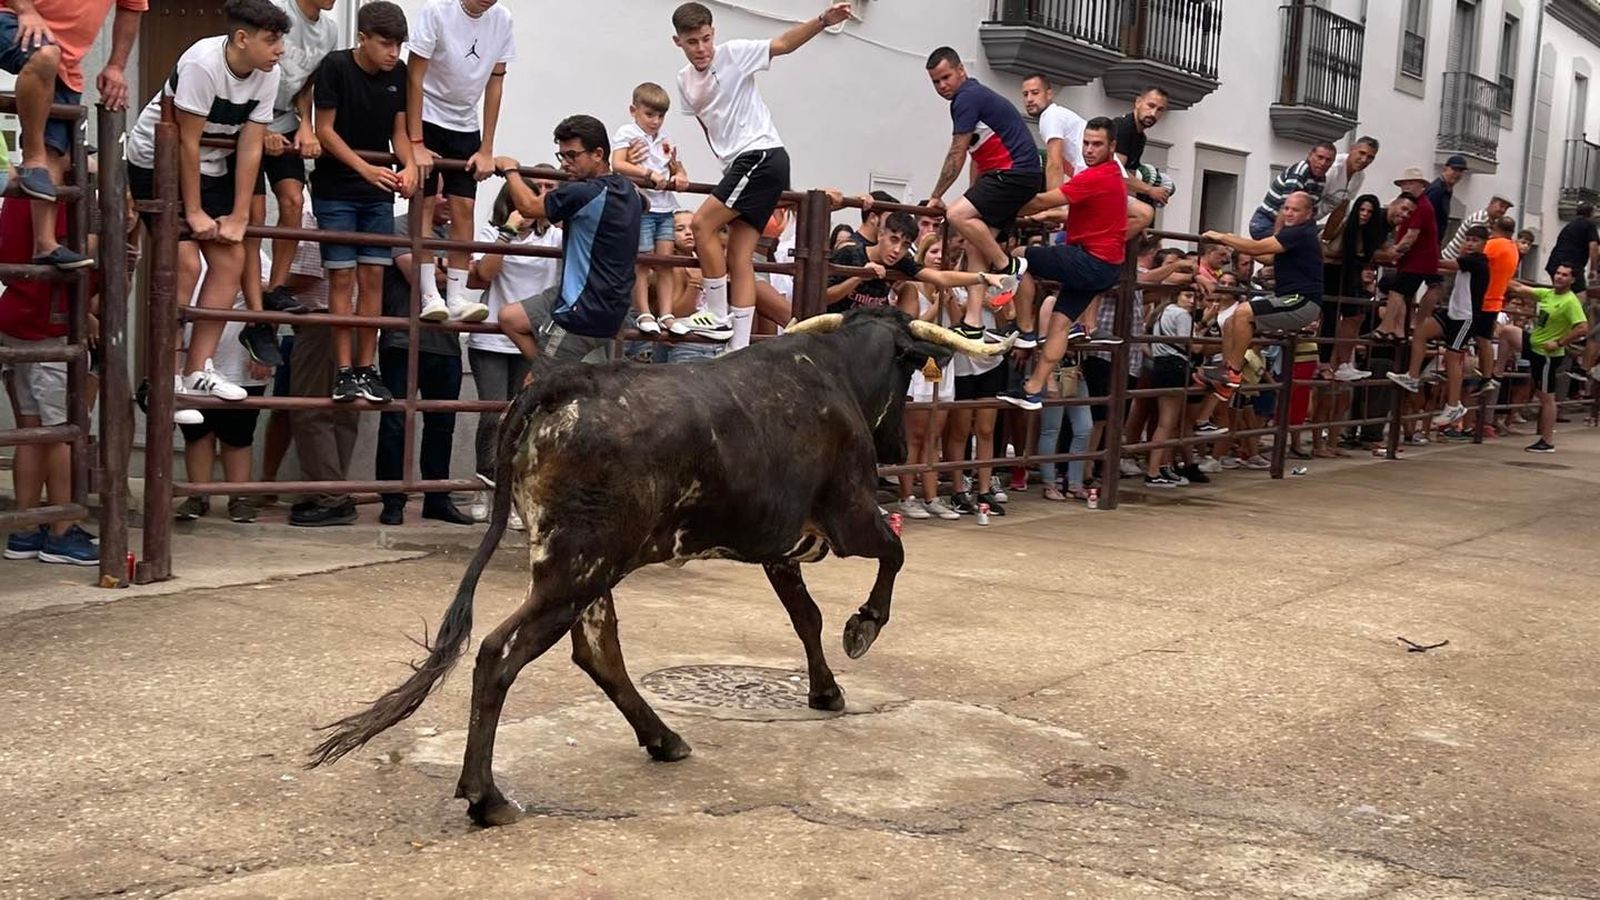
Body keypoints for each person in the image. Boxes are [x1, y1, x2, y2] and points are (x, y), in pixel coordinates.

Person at [124, 0, 286, 411]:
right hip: (156, 163)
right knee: (186, 264)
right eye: (271, 41)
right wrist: (193, 212)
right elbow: (186, 141)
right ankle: (167, 376)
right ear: (241, 38)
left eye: (281, 40)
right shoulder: (201, 62)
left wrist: (239, 214)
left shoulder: (269, 73)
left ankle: (198, 369)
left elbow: (251, 146)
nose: (279, 50)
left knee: (230, 262)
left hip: (212, 167)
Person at [670, 1, 851, 348]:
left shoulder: (734, 54)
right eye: (693, 42)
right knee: (739, 256)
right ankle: (737, 345)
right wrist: (725, 168)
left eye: (706, 39)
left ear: (714, 34)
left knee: (701, 225)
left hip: (761, 155)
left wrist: (824, 20)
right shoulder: (684, 82)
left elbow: (782, 44)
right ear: (678, 42)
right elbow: (709, 126)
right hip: (742, 165)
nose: (702, 48)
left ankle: (718, 316)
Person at [310, 0, 417, 404]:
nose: (393, 53)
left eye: (399, 45)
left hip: (377, 192)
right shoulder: (335, 66)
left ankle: (365, 368)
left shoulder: (400, 73)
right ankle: (343, 371)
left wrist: (408, 167)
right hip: (336, 189)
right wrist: (365, 169)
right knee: (342, 277)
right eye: (386, 44)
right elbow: (325, 130)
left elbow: (400, 132)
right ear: (363, 38)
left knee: (373, 277)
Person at [0, 0, 143, 271]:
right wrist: (26, 10)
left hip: (64, 59)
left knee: (56, 148)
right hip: (10, 18)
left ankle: (45, 244)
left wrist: (115, 66)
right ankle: (33, 159)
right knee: (43, 55)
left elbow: (132, 8)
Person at [997, 116, 1127, 409]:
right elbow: (1075, 213)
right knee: (1059, 323)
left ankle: (1025, 328)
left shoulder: (1095, 176)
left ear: (1112, 146)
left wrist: (999, 205)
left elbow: (1046, 200)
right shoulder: (1113, 177)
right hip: (1105, 268)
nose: (1089, 150)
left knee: (1019, 257)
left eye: (1097, 144)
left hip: (1090, 260)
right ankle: (1033, 389)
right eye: (1086, 143)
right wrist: (1043, 216)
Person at [495, 115, 642, 362]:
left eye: (572, 156)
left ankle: (553, 377)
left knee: (540, 389)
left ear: (598, 154)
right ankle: (557, 375)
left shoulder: (585, 193)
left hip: (580, 312)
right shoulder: (627, 190)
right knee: (509, 317)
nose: (565, 164)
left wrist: (510, 169)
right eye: (562, 156)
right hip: (607, 305)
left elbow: (529, 207)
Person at [0, 195, 96, 564]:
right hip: (49, 320)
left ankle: (25, 529)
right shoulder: (56, 198)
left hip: (19, 316)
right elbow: (82, 256)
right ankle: (60, 529)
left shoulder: (17, 194)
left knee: (30, 428)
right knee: (60, 432)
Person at [406, 0, 513, 322]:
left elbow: (496, 83)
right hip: (427, 116)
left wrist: (487, 148)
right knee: (425, 205)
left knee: (463, 208)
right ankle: (429, 295)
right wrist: (415, 140)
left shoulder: (502, 19)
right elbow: (414, 75)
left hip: (465, 124)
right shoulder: (436, 11)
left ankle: (456, 297)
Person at [466, 169, 560, 525]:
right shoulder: (492, 232)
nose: (541, 197)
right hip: (491, 339)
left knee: (525, 420)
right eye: (535, 190)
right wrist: (508, 232)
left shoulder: (554, 236)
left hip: (531, 340)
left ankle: (516, 495)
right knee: (492, 416)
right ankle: (485, 488)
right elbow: (485, 275)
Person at [921, 45, 1039, 322]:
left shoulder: (966, 98)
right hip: (1014, 174)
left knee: (956, 214)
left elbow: (957, 151)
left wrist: (936, 195)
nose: (942, 86)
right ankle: (973, 321)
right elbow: (976, 156)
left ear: (961, 70)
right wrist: (973, 193)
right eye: (936, 82)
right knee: (975, 243)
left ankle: (1007, 266)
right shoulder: (973, 96)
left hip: (1014, 172)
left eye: (946, 77)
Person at [252, 0, 342, 331]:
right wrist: (258, 127)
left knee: (293, 200)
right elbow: (250, 65)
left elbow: (308, 83)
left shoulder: (330, 29)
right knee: (254, 214)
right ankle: (253, 296)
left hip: (286, 117)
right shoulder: (277, 10)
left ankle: (276, 288)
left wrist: (306, 123)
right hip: (248, 116)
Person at [374, 225, 469, 526]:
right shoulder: (402, 225)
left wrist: (454, 272)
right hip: (402, 340)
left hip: (446, 344)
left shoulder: (456, 232)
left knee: (442, 425)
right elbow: (415, 275)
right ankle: (392, 500)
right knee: (396, 422)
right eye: (438, 191)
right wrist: (455, 271)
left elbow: (481, 276)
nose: (444, 199)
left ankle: (437, 497)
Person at [1197, 191, 1324, 401]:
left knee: (1245, 311)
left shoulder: (1299, 233)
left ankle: (1233, 374)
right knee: (1231, 320)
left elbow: (1256, 248)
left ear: (1309, 213)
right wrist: (1235, 243)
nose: (1289, 213)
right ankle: (1226, 375)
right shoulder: (1294, 235)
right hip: (1291, 299)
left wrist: (1222, 237)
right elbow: (1267, 256)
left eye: (1295, 210)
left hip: (1302, 301)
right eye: (1287, 209)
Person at [175, 280, 272, 524]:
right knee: (197, 433)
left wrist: (262, 353)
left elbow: (267, 307)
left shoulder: (257, 261)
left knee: (238, 436)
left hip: (238, 364)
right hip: (191, 365)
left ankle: (239, 497)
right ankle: (198, 493)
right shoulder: (189, 261)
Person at [1385, 225, 1494, 427]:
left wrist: (1421, 258)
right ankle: (1413, 375)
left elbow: (1445, 264)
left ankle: (1454, 405)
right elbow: (1441, 268)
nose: (1469, 244)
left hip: (1466, 317)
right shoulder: (1467, 263)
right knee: (1421, 331)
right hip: (1452, 313)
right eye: (1467, 239)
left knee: (1453, 357)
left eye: (1475, 240)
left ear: (1484, 244)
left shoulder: (1478, 261)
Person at [609, 82, 688, 336]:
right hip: (642, 207)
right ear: (634, 111)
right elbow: (618, 163)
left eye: (661, 116)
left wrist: (682, 175)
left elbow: (675, 166)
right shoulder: (626, 133)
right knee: (642, 261)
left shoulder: (666, 139)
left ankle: (666, 313)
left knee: (665, 262)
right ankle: (643, 311)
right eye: (649, 115)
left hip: (665, 207)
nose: (655, 121)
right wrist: (647, 173)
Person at [825, 210, 1005, 313]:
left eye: (905, 245)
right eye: (893, 240)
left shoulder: (901, 261)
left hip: (868, 338)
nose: (897, 250)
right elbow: (824, 297)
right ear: (880, 235)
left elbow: (940, 277)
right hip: (837, 334)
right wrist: (858, 276)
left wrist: (982, 277)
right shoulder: (849, 253)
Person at [1505, 265, 1588, 452]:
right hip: (1534, 346)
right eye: (1558, 273)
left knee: (1547, 398)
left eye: (1565, 275)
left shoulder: (1570, 301)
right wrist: (1497, 271)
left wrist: (1559, 343)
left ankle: (1547, 440)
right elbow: (1518, 288)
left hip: (1547, 355)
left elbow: (1583, 327)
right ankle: (1494, 374)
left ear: (1572, 280)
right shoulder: (1548, 294)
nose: (1559, 277)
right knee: (1507, 331)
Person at [1373, 168, 1441, 340]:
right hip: (1416, 258)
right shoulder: (1419, 205)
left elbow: (1411, 235)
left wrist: (1395, 253)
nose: (1406, 187)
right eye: (1404, 184)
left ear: (1421, 186)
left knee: (1397, 290)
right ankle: (1398, 330)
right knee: (1402, 292)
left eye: (1410, 183)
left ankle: (1386, 327)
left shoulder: (1422, 206)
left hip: (1418, 258)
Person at [1249, 142, 1335, 239]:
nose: (1323, 163)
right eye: (1320, 157)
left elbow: (1310, 212)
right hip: (1266, 222)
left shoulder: (1321, 179)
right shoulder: (1300, 172)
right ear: (1310, 156)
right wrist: (1277, 239)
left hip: (1282, 223)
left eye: (1328, 160)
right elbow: (1286, 208)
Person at [1020, 73, 1084, 190]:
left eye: (1035, 93)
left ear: (1049, 94)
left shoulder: (1051, 116)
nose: (1029, 99)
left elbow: (1054, 164)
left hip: (1096, 180)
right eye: (1025, 94)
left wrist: (1052, 204)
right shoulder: (1056, 114)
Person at [1112, 87, 1169, 205]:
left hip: (1112, 194)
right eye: (1151, 106)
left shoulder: (1141, 137)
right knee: (1144, 214)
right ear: (1138, 102)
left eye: (1159, 110)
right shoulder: (1123, 127)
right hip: (1096, 190)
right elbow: (1116, 173)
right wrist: (1150, 190)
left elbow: (1130, 173)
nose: (1153, 113)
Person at [1316, 136, 1379, 223]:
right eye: (1362, 153)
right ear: (1351, 149)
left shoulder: (1359, 176)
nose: (1364, 160)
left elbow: (1341, 209)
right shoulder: (1333, 168)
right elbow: (1309, 199)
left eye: (1370, 157)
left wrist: (1327, 235)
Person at [1544, 202, 1598, 294]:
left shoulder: (1569, 225)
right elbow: (1593, 247)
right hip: (1572, 265)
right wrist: (1593, 269)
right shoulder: (1589, 225)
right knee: (1580, 295)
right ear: (1591, 213)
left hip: (1554, 263)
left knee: (1561, 294)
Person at [1443, 194, 1512, 260]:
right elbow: (1473, 248)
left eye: (1506, 208)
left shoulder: (1491, 221)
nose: (1503, 210)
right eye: (1501, 206)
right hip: (1452, 259)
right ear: (1491, 203)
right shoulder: (1481, 219)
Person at [1425, 155, 1468, 244]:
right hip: (1427, 241)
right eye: (1454, 169)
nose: (1457, 174)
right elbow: (1426, 218)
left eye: (1460, 171)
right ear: (1445, 168)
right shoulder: (1437, 191)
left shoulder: (1447, 189)